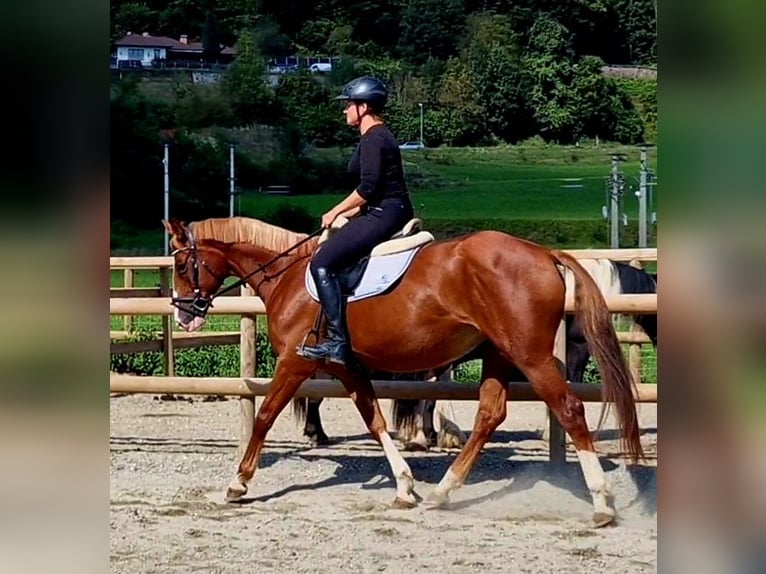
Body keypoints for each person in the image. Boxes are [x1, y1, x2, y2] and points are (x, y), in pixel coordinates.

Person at [297, 76, 415, 366]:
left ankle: (337, 342)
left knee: (321, 262)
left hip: (385, 212)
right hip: (383, 208)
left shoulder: (375, 138)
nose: (344, 110)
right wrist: (346, 214)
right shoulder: (374, 137)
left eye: (348, 104)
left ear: (363, 107)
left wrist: (335, 211)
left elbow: (369, 188)